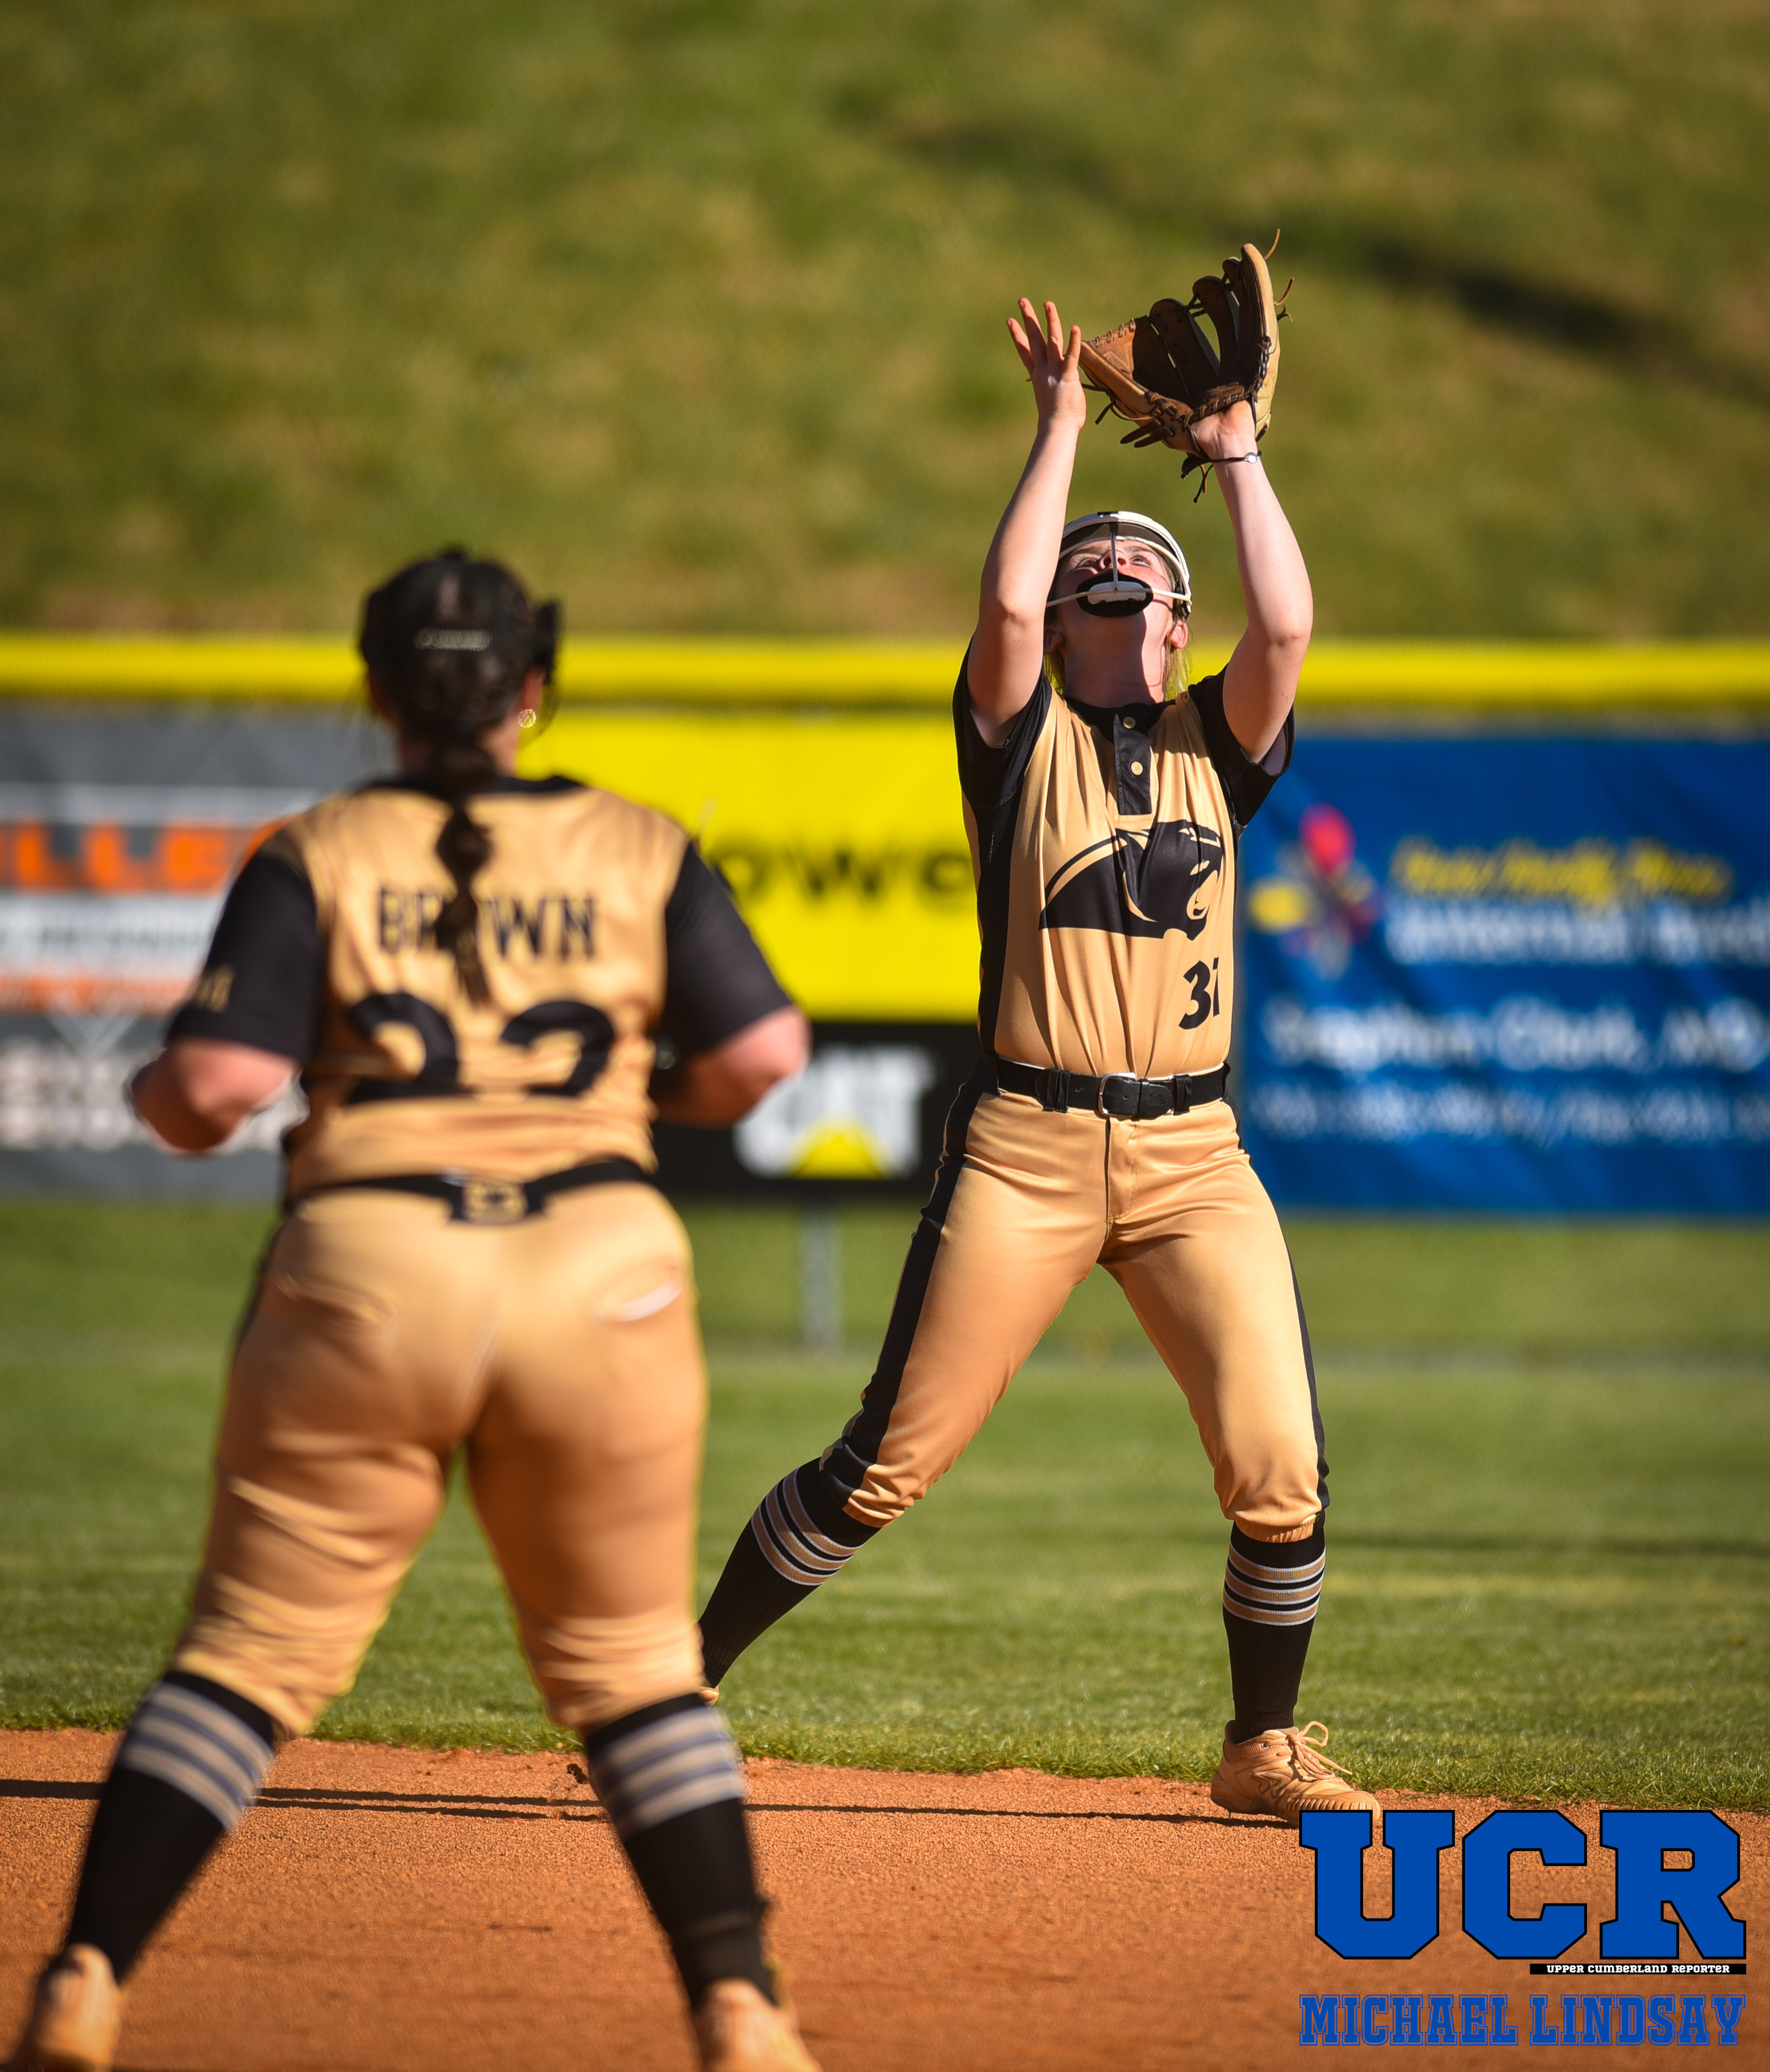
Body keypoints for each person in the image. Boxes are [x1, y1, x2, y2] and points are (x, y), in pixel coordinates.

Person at [13, 552, 823, 2072]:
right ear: (535, 687)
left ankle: (85, 1984)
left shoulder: (316, 850)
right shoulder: (637, 843)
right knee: (636, 1672)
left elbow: (218, 1085)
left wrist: (159, 1095)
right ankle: (741, 2009)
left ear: (377, 690)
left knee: (248, 1660)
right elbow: (765, 1055)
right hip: (601, 1267)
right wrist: (636, 1104)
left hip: (367, 1263)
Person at [697, 300, 1380, 1829]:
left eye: (1148, 577)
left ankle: (1261, 1747)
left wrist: (1237, 455)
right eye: (1092, 577)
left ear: (1178, 627)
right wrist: (1062, 425)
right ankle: (672, 1693)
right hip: (1027, 1148)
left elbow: (1286, 629)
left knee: (1280, 1465)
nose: (1117, 583)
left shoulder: (1217, 744)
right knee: (884, 1466)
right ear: (1062, 627)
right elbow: (1002, 607)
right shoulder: (1021, 745)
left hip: (1194, 1158)